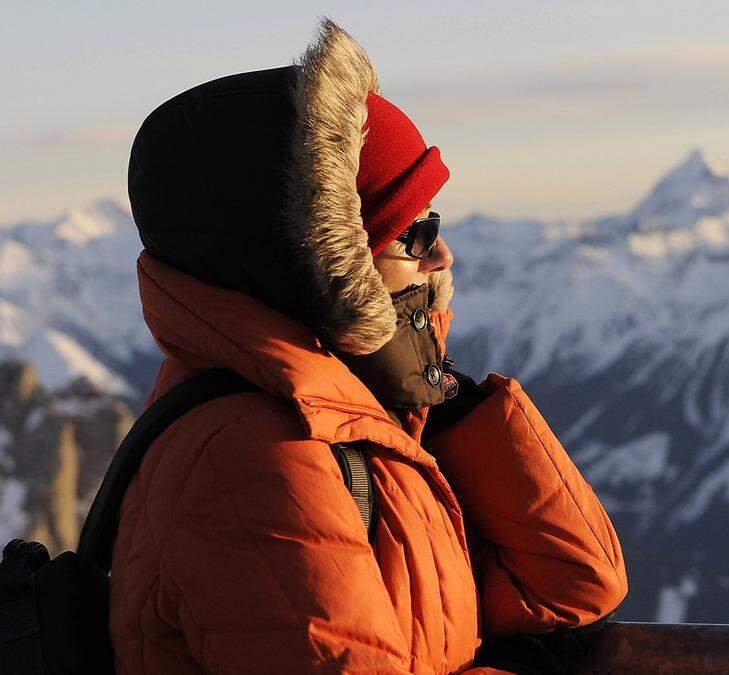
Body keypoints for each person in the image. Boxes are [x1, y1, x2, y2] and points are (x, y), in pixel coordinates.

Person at [110, 18, 627, 674]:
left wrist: (447, 406)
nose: (442, 253)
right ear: (321, 268)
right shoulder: (251, 460)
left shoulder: (356, 427)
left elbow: (575, 587)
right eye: (411, 232)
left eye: (435, 223)